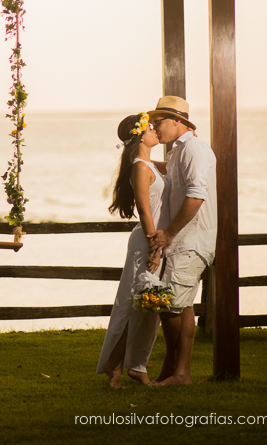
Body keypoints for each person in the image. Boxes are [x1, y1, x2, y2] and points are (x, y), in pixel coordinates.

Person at [147, 96, 217, 387]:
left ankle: (180, 373)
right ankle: (176, 372)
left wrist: (169, 233)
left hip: (191, 240)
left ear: (178, 121)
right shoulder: (178, 152)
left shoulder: (195, 149)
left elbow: (196, 196)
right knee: (180, 306)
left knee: (173, 305)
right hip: (182, 240)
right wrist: (139, 158)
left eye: (159, 121)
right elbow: (169, 173)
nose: (154, 126)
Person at [96, 110, 169, 388]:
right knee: (133, 306)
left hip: (153, 241)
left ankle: (133, 366)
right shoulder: (140, 167)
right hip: (146, 243)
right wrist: (154, 244)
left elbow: (177, 166)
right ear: (140, 136)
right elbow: (144, 209)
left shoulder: (148, 164)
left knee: (144, 308)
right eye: (151, 128)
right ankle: (116, 368)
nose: (156, 130)